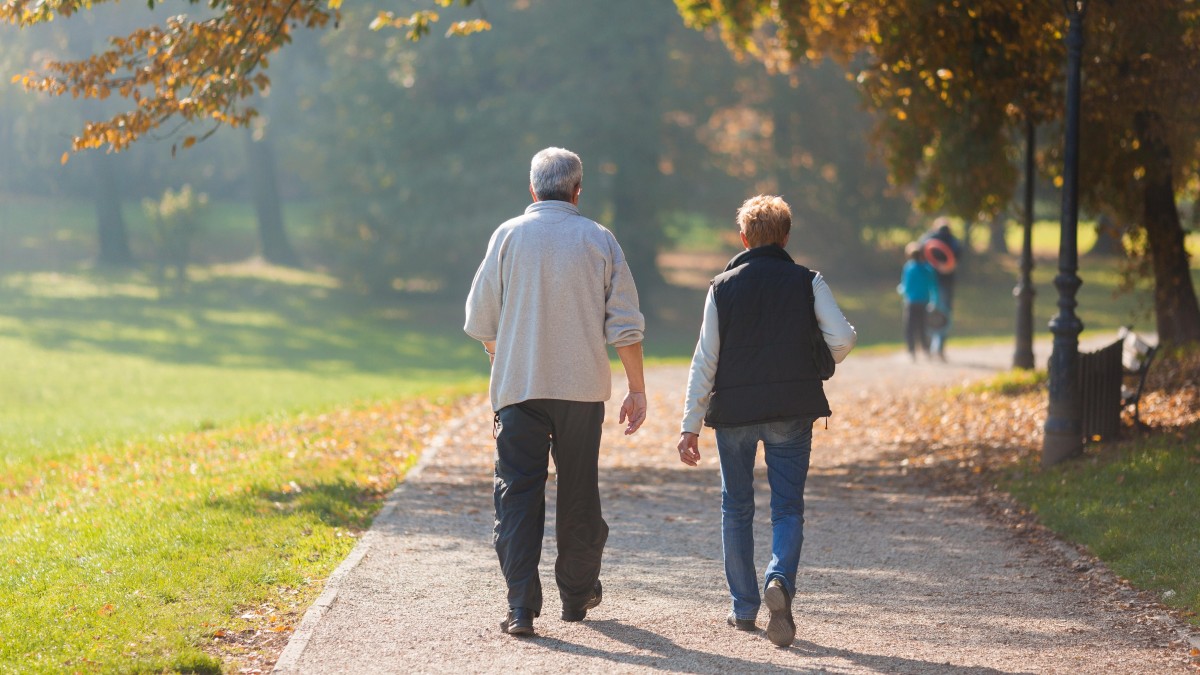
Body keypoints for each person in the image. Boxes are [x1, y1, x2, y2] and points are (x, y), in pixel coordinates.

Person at [464, 147, 648, 637]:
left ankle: (521, 606)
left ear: (532, 189)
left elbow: (482, 321)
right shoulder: (599, 239)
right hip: (581, 391)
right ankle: (576, 594)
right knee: (579, 491)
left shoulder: (507, 236)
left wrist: (504, 359)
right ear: (577, 190)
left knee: (518, 495)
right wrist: (637, 389)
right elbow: (626, 326)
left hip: (518, 391)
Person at [676, 195, 856, 648]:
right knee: (788, 507)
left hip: (734, 414)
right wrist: (814, 354)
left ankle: (743, 608)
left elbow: (705, 361)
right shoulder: (807, 281)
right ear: (786, 236)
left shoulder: (721, 287)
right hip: (792, 409)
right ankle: (780, 579)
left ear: (743, 238)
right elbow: (843, 339)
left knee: (735, 507)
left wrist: (690, 425)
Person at [919, 217, 962, 360]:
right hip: (946, 282)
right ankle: (940, 349)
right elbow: (956, 258)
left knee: (927, 314)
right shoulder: (953, 241)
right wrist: (946, 266)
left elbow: (919, 251)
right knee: (944, 316)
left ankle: (928, 348)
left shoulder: (927, 238)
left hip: (927, 283)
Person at [897, 241, 939, 361]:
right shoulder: (928, 269)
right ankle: (926, 350)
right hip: (924, 302)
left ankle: (912, 352)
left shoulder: (908, 268)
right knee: (923, 327)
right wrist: (934, 301)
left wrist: (900, 291)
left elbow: (905, 287)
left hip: (911, 302)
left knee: (910, 328)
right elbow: (933, 287)